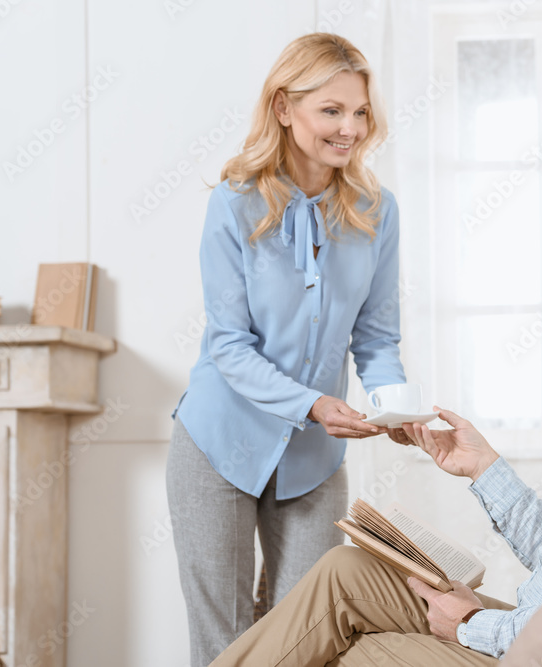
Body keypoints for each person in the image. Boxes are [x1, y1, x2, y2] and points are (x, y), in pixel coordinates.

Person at [210, 249, 542, 666]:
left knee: (358, 652)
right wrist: (484, 468)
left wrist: (474, 623)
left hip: (540, 654)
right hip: (532, 630)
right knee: (347, 570)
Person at [166, 33, 406, 666]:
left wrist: (396, 407)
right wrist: (315, 403)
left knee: (308, 637)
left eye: (359, 112)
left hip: (313, 458)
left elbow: (377, 337)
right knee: (225, 640)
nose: (349, 127)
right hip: (220, 441)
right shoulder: (235, 202)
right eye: (331, 110)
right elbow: (229, 346)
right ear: (283, 108)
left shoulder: (377, 213)